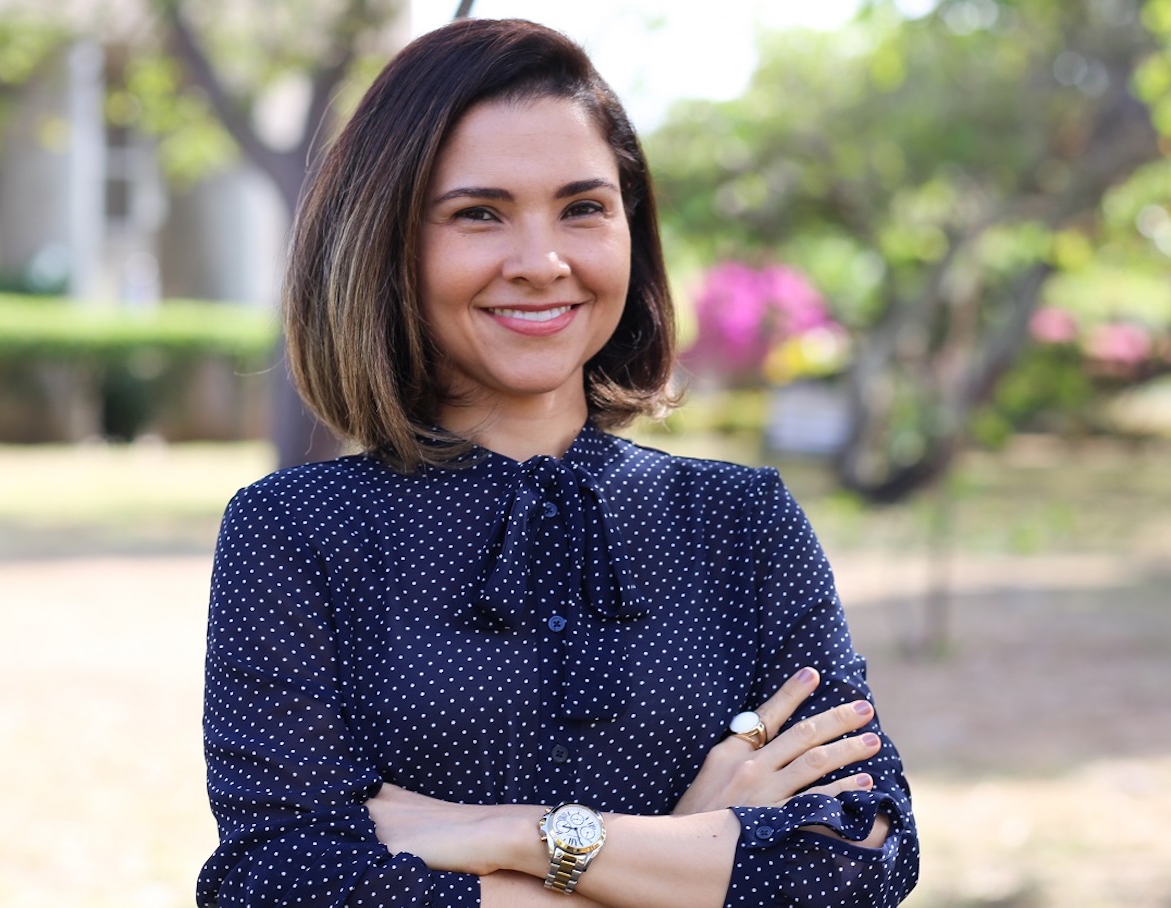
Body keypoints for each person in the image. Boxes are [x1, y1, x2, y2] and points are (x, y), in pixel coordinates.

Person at [196, 17, 919, 908]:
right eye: (478, 214)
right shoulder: (296, 531)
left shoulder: (743, 521)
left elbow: (862, 857)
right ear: (387, 243)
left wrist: (517, 837)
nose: (541, 263)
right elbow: (277, 881)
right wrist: (692, 849)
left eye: (583, 208)